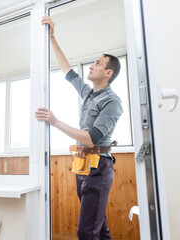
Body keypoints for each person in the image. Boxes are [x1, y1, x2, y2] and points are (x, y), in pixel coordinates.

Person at [35, 17, 123, 240]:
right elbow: (67, 71)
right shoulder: (88, 93)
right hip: (83, 165)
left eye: (98, 64)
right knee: (98, 226)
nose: (92, 66)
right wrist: (52, 38)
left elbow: (91, 138)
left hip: (99, 168)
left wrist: (55, 121)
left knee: (86, 231)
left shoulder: (112, 102)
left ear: (108, 73)